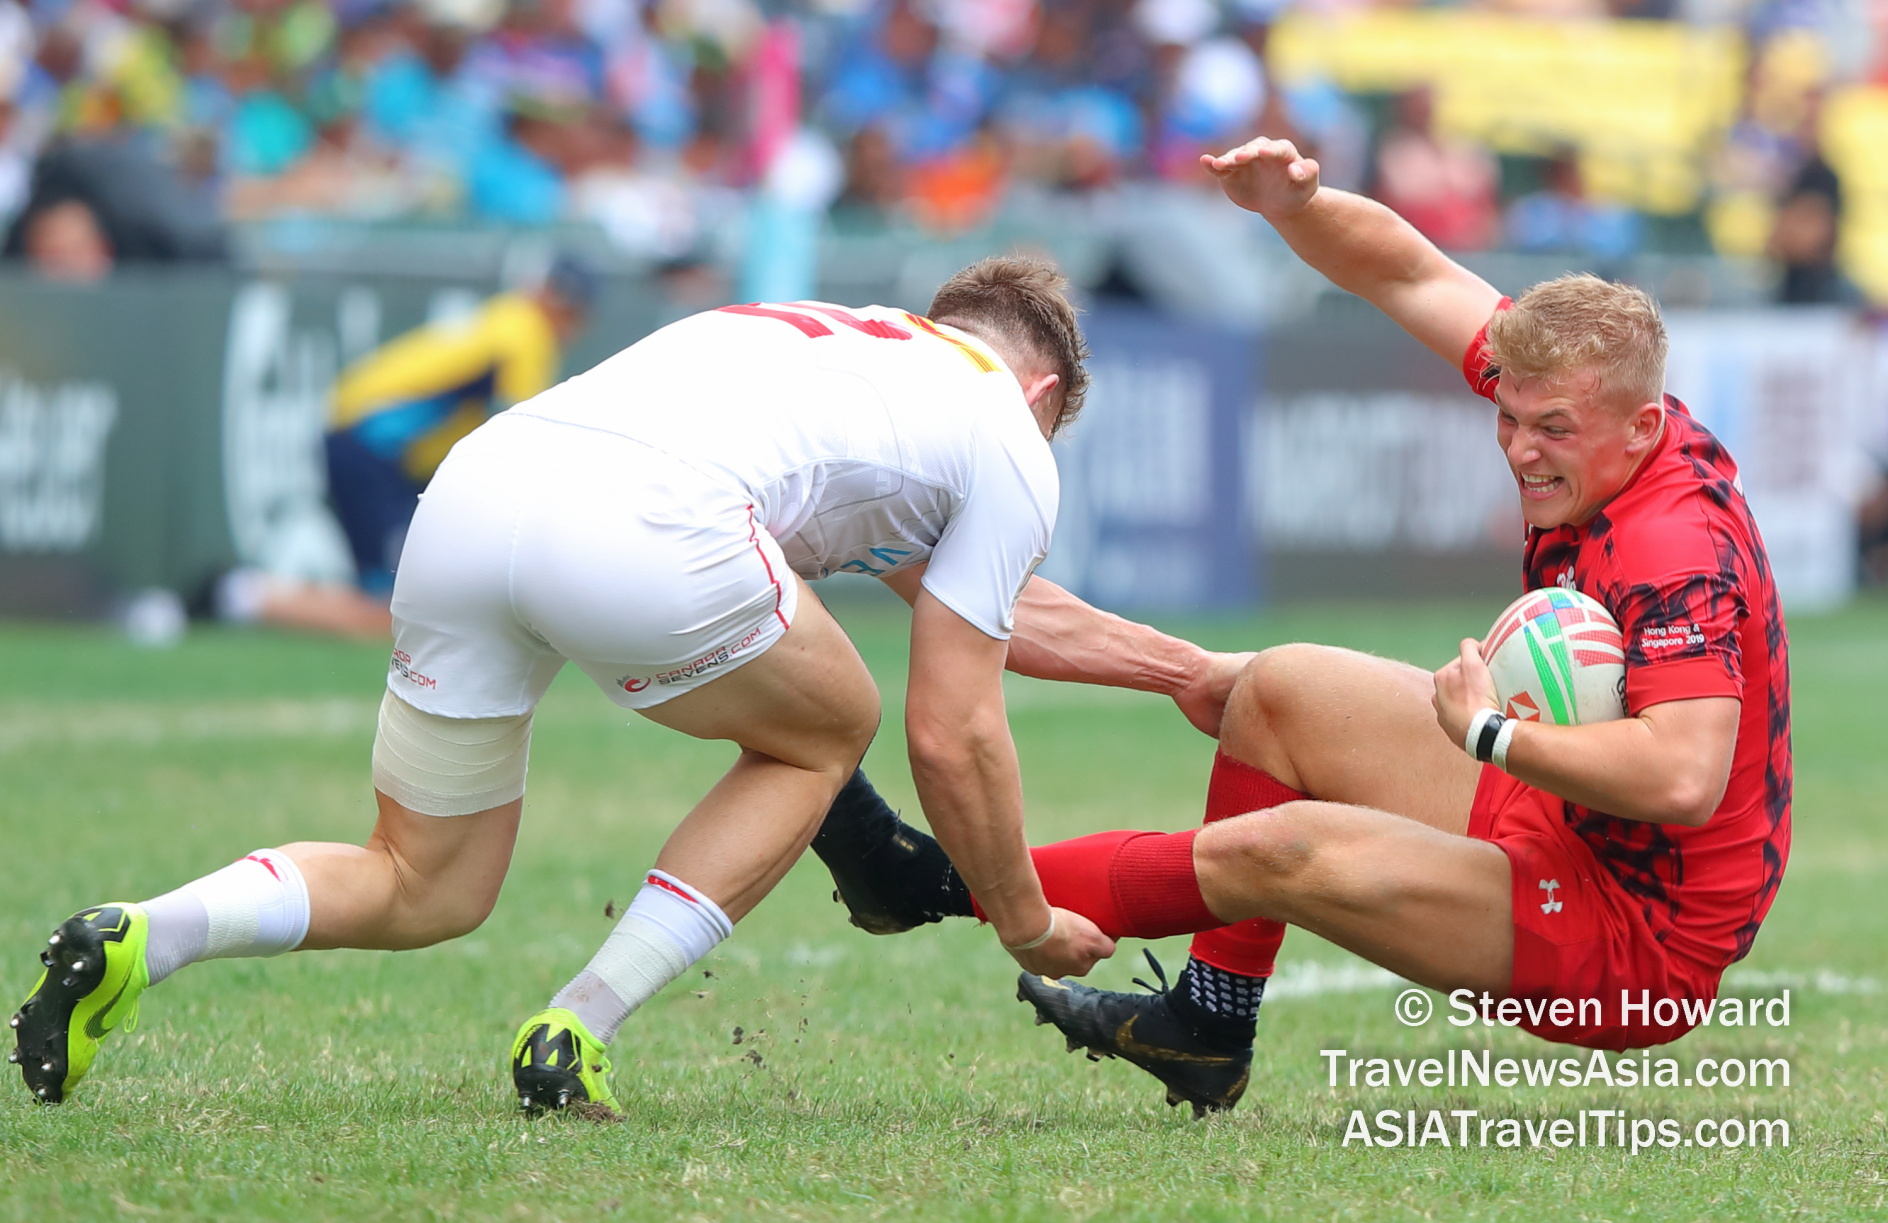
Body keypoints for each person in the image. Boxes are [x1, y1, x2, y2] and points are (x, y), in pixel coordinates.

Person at [10, 256, 1251, 1113]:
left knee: (422, 880)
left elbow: (982, 600)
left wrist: (1179, 670)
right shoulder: (1007, 434)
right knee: (835, 728)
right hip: (651, 526)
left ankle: (148, 930)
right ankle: (578, 1025)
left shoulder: (844, 349)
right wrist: (1022, 915)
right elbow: (955, 726)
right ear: (1045, 394)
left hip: (479, 494)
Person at [811, 138, 1793, 1117]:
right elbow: (1406, 269)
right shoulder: (1597, 398)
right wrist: (1293, 207)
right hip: (1565, 821)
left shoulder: (1675, 547)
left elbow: (1680, 777)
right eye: (1510, 417)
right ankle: (1207, 1024)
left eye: (1552, 431)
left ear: (1644, 425)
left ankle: (926, 880)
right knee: (1276, 688)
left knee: (1282, 852)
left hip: (1635, 936)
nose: (1520, 451)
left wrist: (1492, 734)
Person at [323, 256, 596, 596]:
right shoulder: (526, 333)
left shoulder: (508, 314)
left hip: (362, 435)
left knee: (390, 582)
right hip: (371, 443)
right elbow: (524, 430)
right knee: (398, 589)